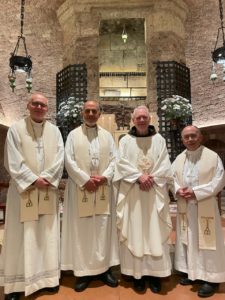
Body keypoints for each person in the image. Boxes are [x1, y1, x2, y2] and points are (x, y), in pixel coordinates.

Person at [0, 94, 64, 300]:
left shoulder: (54, 132)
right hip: (23, 193)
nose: (39, 107)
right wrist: (33, 180)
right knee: (21, 237)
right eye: (35, 103)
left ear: (47, 109)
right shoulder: (16, 130)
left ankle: (47, 280)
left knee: (46, 235)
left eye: (43, 105)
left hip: (46, 192)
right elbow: (12, 159)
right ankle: (17, 284)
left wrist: (45, 179)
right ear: (28, 106)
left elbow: (59, 158)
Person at [61, 100, 119, 292]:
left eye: (94, 111)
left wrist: (103, 178)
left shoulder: (108, 136)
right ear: (82, 113)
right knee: (82, 229)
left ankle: (104, 270)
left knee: (103, 228)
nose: (91, 114)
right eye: (88, 111)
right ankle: (84, 271)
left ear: (100, 114)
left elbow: (114, 160)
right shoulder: (73, 135)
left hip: (102, 189)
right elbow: (68, 160)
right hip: (81, 189)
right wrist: (85, 179)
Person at [113, 106, 172, 294]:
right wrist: (139, 177)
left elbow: (164, 163)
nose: (141, 120)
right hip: (134, 193)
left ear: (150, 118)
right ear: (133, 119)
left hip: (153, 192)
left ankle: (155, 274)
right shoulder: (125, 141)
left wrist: (151, 178)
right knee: (135, 229)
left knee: (153, 230)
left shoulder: (159, 140)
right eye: (138, 117)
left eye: (144, 117)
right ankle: (137, 274)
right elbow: (119, 162)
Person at [172, 125, 225, 297]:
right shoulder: (179, 159)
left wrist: (196, 192)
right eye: (186, 137)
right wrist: (178, 190)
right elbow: (171, 179)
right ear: (182, 140)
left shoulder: (212, 156)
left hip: (204, 205)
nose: (190, 139)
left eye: (193, 136)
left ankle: (211, 278)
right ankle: (192, 272)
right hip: (186, 207)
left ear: (200, 137)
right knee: (189, 240)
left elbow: (219, 180)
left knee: (207, 242)